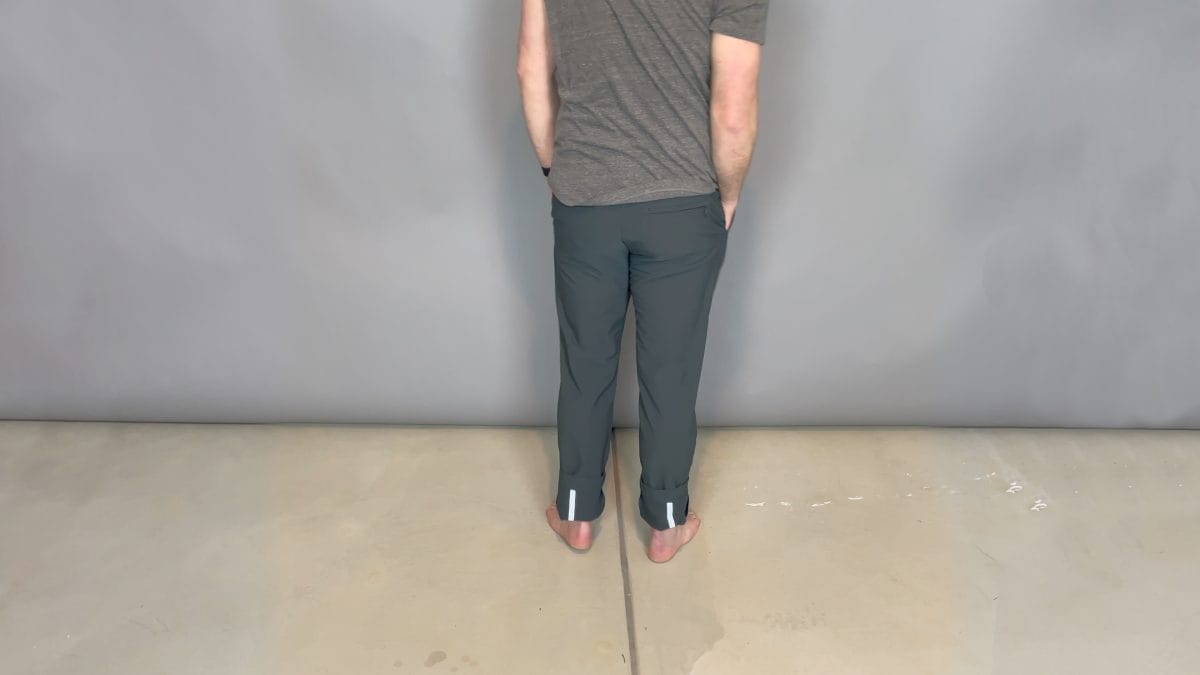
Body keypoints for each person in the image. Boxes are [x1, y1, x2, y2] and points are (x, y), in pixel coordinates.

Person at [517, 0, 767, 563]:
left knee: (585, 365)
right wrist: (727, 196)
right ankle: (666, 526)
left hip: (585, 202)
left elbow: (531, 67)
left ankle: (577, 515)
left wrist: (557, 169)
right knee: (671, 373)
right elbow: (734, 107)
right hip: (684, 202)